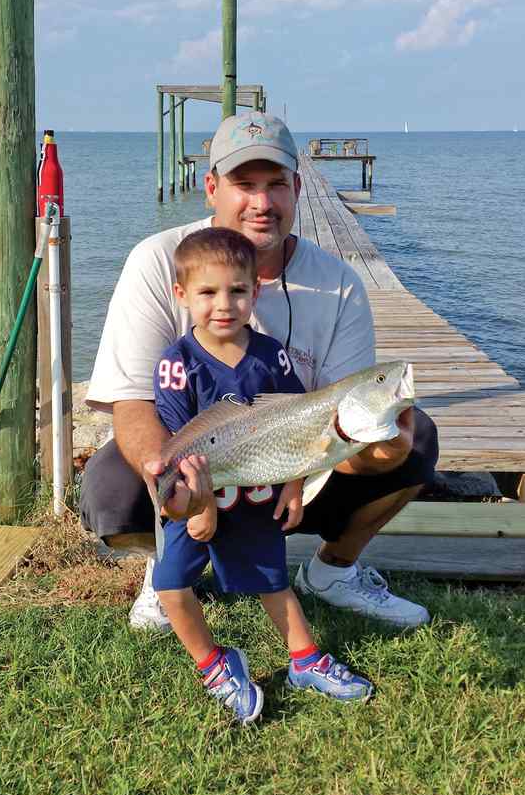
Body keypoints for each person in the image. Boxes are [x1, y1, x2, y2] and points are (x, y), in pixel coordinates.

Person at [81, 112, 438, 635]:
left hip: (294, 467)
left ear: (298, 188)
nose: (262, 202)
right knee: (111, 487)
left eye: (276, 185)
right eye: (244, 184)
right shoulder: (157, 261)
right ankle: (170, 558)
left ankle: (334, 571)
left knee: (417, 440)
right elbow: (132, 405)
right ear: (211, 188)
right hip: (200, 460)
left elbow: (344, 420)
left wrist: (379, 452)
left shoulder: (340, 284)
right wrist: (177, 486)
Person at [151, 226, 373, 722]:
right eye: (207, 292)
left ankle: (305, 659)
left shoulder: (272, 356)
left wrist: (294, 482)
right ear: (181, 294)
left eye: (237, 290)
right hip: (193, 500)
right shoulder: (176, 364)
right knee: (170, 586)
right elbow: (177, 448)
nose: (223, 304)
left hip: (253, 498)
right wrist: (198, 508)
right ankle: (213, 663)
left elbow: (299, 426)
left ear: (255, 292)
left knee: (272, 581)